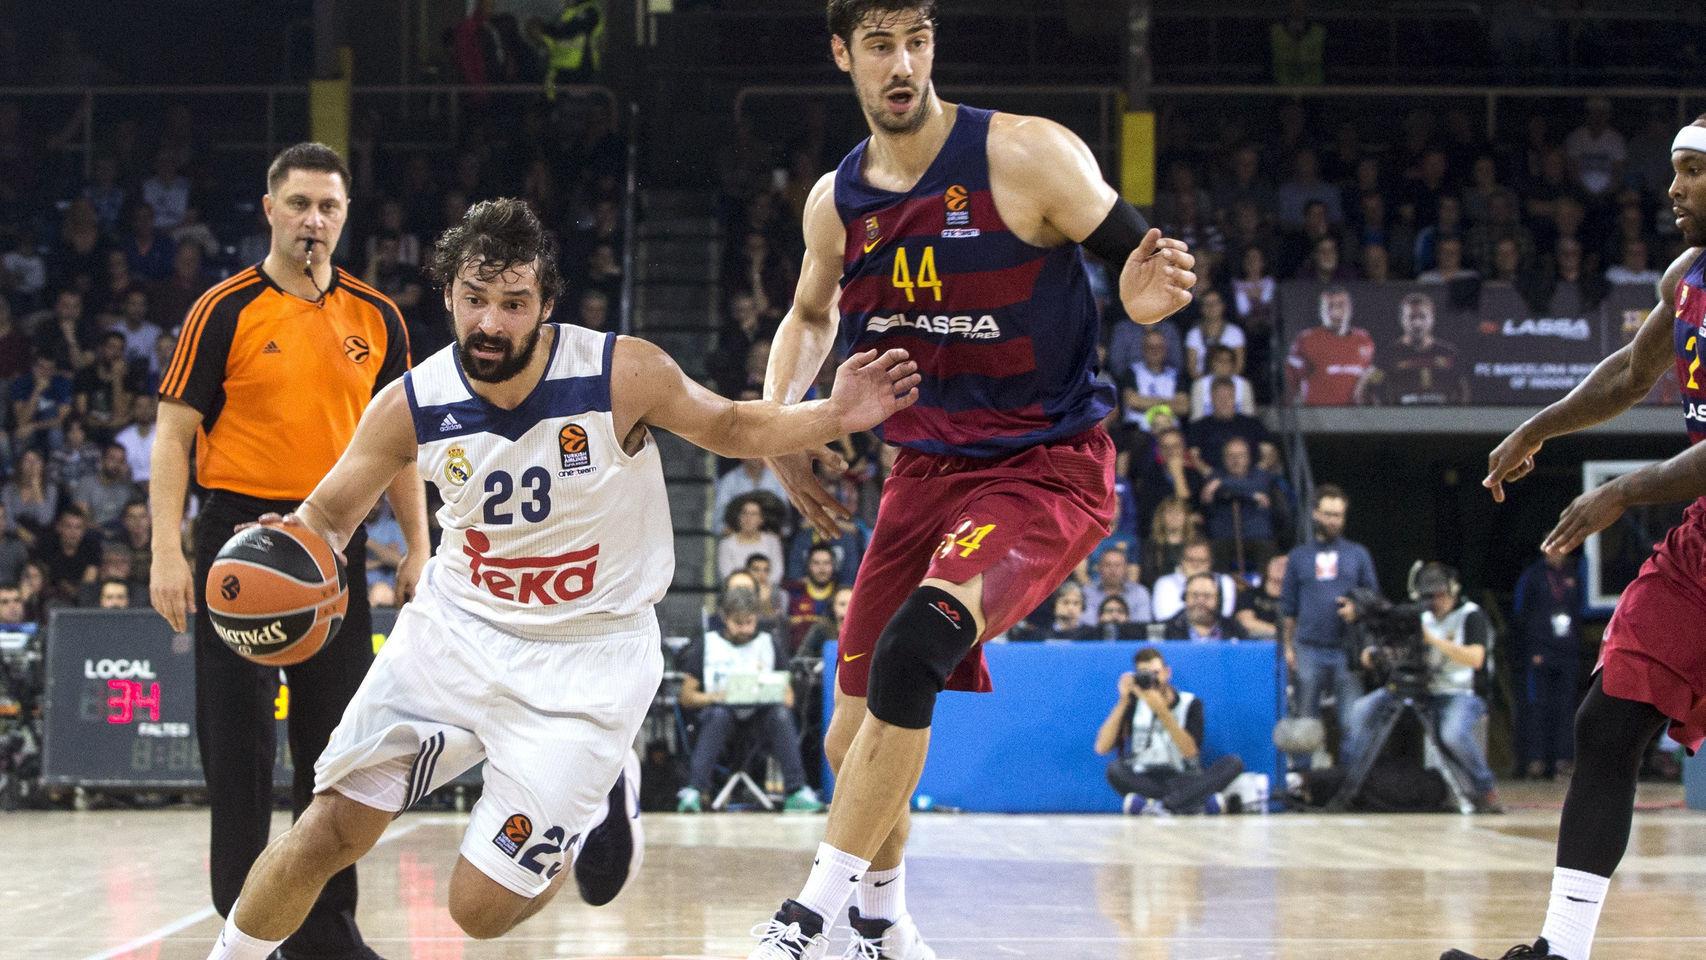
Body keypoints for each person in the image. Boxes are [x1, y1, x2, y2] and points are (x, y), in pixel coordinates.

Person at [196, 196, 918, 960]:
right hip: (456, 633)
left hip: (589, 659)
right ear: (448, 296)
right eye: (475, 300)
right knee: (326, 828)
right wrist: (285, 545)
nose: (491, 322)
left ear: (545, 306)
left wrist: (833, 413)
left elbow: (730, 426)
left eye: (514, 304)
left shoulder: (618, 373)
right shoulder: (411, 403)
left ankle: (601, 793)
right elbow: (329, 513)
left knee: (475, 910)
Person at [747, 2, 1195, 956]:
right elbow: (810, 314)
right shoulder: (837, 202)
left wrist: (1147, 297)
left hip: (1044, 464)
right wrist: (783, 418)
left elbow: (1135, 260)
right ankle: (887, 925)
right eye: (879, 45)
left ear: (934, 45)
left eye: (916, 40)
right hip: (925, 473)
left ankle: (807, 919)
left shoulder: (1027, 157)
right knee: (850, 744)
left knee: (918, 650)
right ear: (844, 57)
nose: (901, 63)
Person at [152, 143, 430, 960]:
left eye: (329, 207)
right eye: (300, 204)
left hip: (331, 544)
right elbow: (174, 436)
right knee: (237, 750)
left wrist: (420, 545)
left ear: (345, 218)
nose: (315, 220)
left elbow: (402, 445)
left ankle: (326, 930)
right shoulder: (225, 307)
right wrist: (167, 554)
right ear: (271, 209)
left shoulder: (378, 317)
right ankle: (245, 930)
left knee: (337, 753)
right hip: (238, 540)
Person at [1444, 116, 1706, 960]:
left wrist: (1628, 491)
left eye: (1693, 172)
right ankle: (1562, 950)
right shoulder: (1686, 276)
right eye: (1673, 170)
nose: (1674, 189)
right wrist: (1538, 429)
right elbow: (1631, 374)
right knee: (1608, 722)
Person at [1343, 562, 1500, 813]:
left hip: (1461, 693)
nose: (1435, 601)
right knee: (1361, 710)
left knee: (1453, 734)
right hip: (1419, 688)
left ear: (1453, 590)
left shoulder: (1471, 615)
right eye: (1429, 596)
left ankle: (1485, 789)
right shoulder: (1417, 616)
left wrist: (1433, 640)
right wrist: (1378, 654)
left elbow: (1476, 658)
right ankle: (1348, 785)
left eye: (1440, 594)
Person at [678, 588, 825, 814]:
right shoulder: (708, 644)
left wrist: (764, 691)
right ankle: (695, 791)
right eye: (738, 623)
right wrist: (714, 697)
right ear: (725, 618)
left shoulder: (768, 643)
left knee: (780, 715)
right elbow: (686, 696)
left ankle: (796, 791)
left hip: (760, 720)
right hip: (718, 720)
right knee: (719, 715)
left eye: (750, 622)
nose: (745, 629)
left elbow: (788, 697)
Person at [1281, 484, 1377, 763]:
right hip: (1308, 646)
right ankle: (1302, 785)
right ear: (1315, 514)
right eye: (1328, 513)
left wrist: (1357, 609)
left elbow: (1374, 598)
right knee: (1304, 721)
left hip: (1347, 649)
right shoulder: (1299, 556)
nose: (1334, 520)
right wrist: (1288, 646)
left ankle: (1351, 786)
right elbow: (1289, 606)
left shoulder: (1357, 554)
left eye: (1339, 515)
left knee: (1352, 721)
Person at [1094, 647, 1244, 814]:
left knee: (1233, 763)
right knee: (1114, 770)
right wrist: (1123, 701)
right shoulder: (1133, 703)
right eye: (1145, 675)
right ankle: (1190, 804)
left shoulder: (1191, 703)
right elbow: (1102, 747)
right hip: (1146, 777)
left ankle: (1160, 806)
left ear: (1167, 673)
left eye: (1155, 673)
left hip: (1183, 776)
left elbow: (1191, 752)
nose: (1152, 680)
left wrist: (1162, 712)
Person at [1511, 551, 1582, 781]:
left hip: (1566, 651)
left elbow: (1579, 611)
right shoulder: (1532, 576)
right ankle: (1535, 760)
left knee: (1566, 707)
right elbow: (1520, 614)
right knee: (1537, 707)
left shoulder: (1574, 574)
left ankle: (1563, 760)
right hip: (1539, 653)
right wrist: (1531, 648)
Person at [1363, 291, 1469, 405]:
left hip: (1441, 419)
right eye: (1411, 317)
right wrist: (1382, 417)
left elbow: (1463, 390)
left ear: (1432, 318)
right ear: (1402, 320)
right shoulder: (1389, 355)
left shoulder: (1449, 353)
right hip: (1403, 420)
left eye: (1422, 317)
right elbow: (1368, 388)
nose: (1417, 323)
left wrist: (1456, 417)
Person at [1284, 286, 1375, 406]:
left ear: (1350, 308)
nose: (1335, 311)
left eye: (1341, 305)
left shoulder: (1364, 339)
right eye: (1330, 306)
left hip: (1355, 417)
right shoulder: (1306, 340)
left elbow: (1371, 374)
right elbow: (1290, 383)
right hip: (1318, 415)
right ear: (1321, 310)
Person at [1150, 538, 1237, 623]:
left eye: (1202, 560)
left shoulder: (1224, 582)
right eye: (1191, 560)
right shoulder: (1165, 583)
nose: (1196, 565)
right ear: (1181, 561)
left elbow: (1225, 616)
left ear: (1210, 562)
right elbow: (1163, 617)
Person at [786, 544, 845, 652]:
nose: (822, 568)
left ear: (834, 566)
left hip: (835, 654)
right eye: (816, 563)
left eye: (826, 563)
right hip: (798, 656)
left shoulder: (842, 595)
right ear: (808, 565)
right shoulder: (793, 594)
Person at [1160, 573, 1245, 642]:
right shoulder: (1166, 631)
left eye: (1207, 596)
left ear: (1218, 600)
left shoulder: (1234, 629)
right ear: (1184, 597)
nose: (1200, 601)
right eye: (1195, 595)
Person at [1080, 544, 1152, 626]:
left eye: (1118, 565)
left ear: (1126, 569)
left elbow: (1142, 625)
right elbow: (1086, 624)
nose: (1113, 570)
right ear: (1099, 568)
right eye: (1108, 565)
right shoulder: (1087, 592)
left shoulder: (1140, 593)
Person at [1235, 553, 1287, 639]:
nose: (1280, 567)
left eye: (1285, 564)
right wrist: (1279, 631)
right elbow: (1246, 622)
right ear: (1268, 567)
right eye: (1276, 563)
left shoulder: (1297, 599)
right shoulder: (1249, 594)